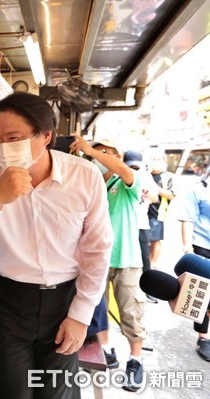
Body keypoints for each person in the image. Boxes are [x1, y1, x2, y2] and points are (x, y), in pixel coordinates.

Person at [0, 92, 113, 399]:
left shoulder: (84, 176)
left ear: (46, 135)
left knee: (55, 392)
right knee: (10, 392)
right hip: (9, 301)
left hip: (65, 299)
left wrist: (80, 315)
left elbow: (98, 249)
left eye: (14, 138)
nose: (3, 148)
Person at [72, 136, 146, 392]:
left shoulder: (130, 180)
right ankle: (106, 350)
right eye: (96, 152)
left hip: (126, 259)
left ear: (116, 154)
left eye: (104, 152)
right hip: (96, 260)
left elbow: (123, 169)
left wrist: (91, 150)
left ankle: (135, 361)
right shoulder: (96, 185)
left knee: (130, 311)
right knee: (96, 308)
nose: (97, 156)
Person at [177, 170, 210, 361]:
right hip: (202, 246)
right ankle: (203, 337)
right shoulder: (198, 190)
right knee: (204, 294)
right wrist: (187, 249)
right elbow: (188, 219)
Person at [123, 150, 159, 302]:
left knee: (145, 259)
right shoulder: (119, 174)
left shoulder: (145, 176)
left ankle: (148, 291)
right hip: (124, 226)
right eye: (130, 166)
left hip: (141, 224)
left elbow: (154, 197)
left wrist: (145, 191)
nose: (133, 169)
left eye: (136, 167)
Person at [147, 153, 175, 270]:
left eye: (158, 159)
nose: (155, 161)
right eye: (153, 158)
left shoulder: (167, 177)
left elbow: (171, 195)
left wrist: (154, 188)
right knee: (144, 238)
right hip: (143, 211)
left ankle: (153, 263)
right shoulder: (146, 174)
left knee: (155, 238)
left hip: (158, 211)